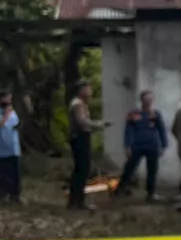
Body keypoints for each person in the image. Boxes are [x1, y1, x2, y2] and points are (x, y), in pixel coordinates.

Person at [114, 90, 167, 201]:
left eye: (150, 99)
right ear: (141, 100)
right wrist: (127, 145)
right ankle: (120, 189)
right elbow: (128, 130)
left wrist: (163, 145)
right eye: (146, 98)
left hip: (152, 146)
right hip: (137, 146)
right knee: (129, 168)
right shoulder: (134, 114)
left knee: (152, 170)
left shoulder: (155, 114)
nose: (148, 101)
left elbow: (162, 130)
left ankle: (150, 194)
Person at [68, 81, 109, 211]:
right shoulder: (77, 104)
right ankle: (77, 201)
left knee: (82, 169)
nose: (90, 92)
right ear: (81, 90)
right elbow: (82, 122)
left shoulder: (81, 104)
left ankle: (76, 200)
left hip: (81, 137)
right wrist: (99, 124)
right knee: (82, 169)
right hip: (79, 138)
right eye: (88, 89)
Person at [0, 90, 21, 204]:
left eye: (10, 99)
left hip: (12, 148)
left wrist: (9, 113)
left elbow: (15, 124)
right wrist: (6, 114)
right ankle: (0, 196)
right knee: (0, 174)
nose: (8, 101)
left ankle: (15, 195)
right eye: (6, 98)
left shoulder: (12, 112)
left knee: (14, 174)